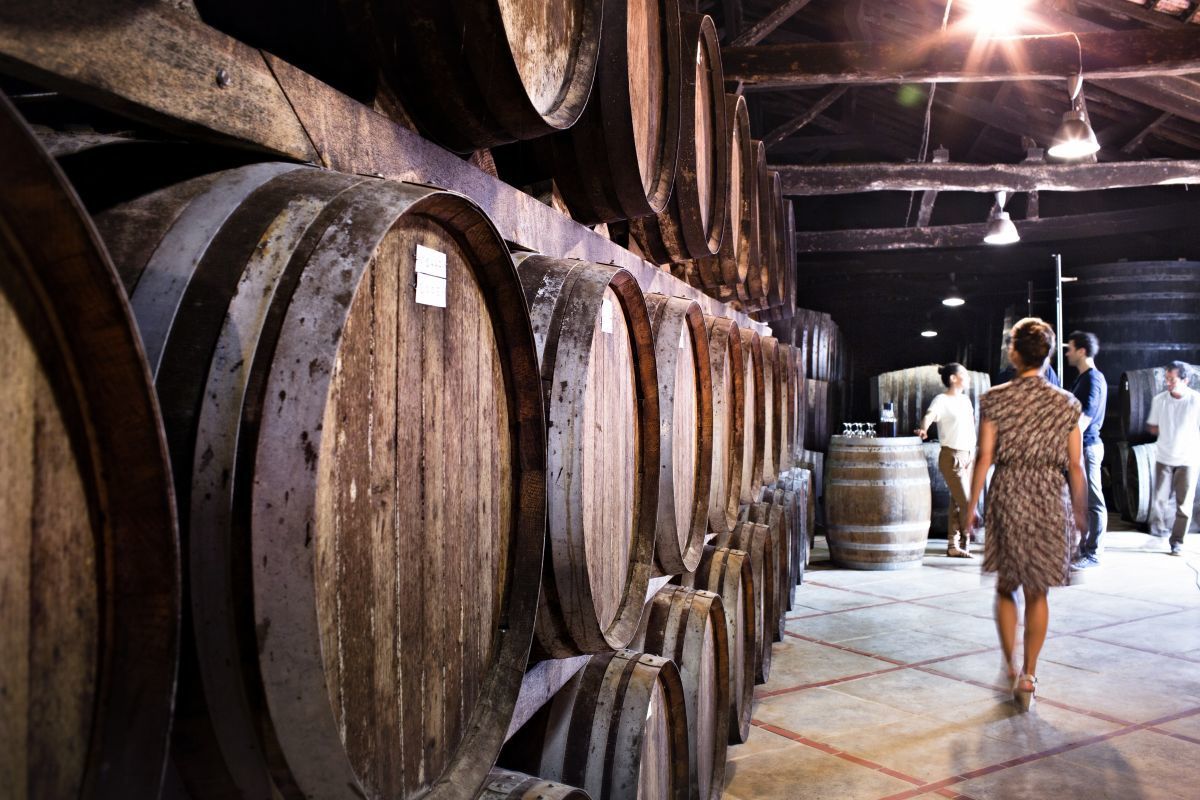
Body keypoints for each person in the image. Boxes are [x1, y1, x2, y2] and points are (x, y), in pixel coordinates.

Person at [965, 318, 1087, 712]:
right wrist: (1080, 512)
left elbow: (984, 457)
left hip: (1010, 492)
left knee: (1007, 586)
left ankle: (1010, 664)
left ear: (1014, 353)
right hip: (1052, 496)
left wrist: (971, 507)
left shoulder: (995, 398)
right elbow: (1076, 465)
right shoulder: (1067, 403)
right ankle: (1030, 675)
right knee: (1039, 591)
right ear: (1049, 354)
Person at [915, 363, 978, 558]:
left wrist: (973, 453)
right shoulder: (941, 400)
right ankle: (968, 536)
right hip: (951, 457)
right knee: (968, 502)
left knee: (957, 502)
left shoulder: (966, 401)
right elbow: (929, 416)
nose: (968, 378)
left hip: (968, 456)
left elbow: (970, 427)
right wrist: (923, 428)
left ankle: (955, 544)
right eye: (964, 375)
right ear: (953, 378)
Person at [1146, 361, 1200, 557]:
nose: (1167, 383)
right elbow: (1153, 426)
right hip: (1163, 458)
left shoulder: (1196, 401)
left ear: (1185, 380)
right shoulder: (1159, 400)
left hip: (1188, 459)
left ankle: (1177, 542)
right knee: (1159, 501)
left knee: (1183, 505)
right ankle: (1159, 530)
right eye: (1166, 379)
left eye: (1172, 379)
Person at [1066, 331, 1108, 569]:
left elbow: (1084, 420)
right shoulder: (1083, 379)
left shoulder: (1093, 379)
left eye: (1070, 348)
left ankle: (1094, 553)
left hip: (1087, 447)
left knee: (1093, 500)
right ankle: (1084, 547)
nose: (1067, 352)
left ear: (1082, 351)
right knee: (1082, 500)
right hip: (1081, 447)